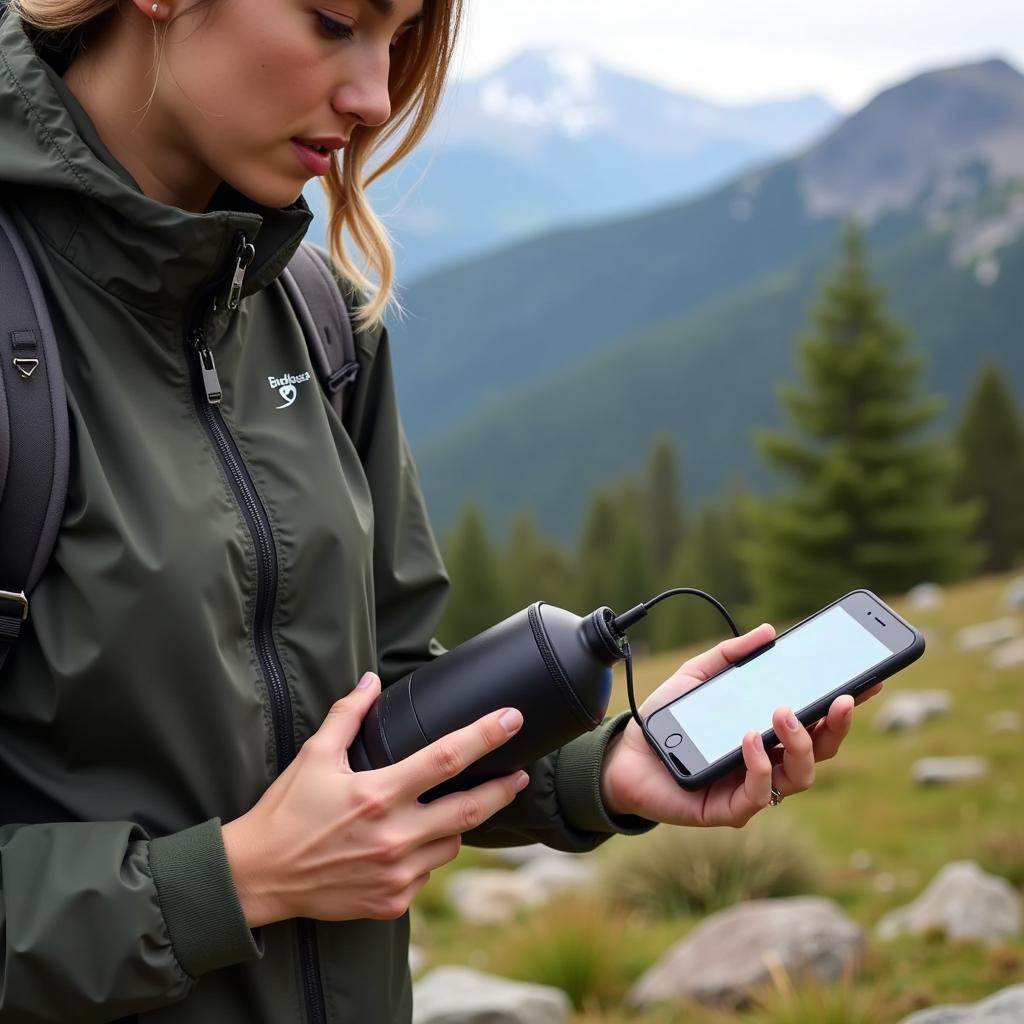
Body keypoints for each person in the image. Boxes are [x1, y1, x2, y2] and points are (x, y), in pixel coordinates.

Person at [0, 1, 880, 1021]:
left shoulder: (314, 317)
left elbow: (385, 704)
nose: (374, 96)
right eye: (336, 20)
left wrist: (604, 768)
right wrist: (229, 882)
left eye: (401, 37)